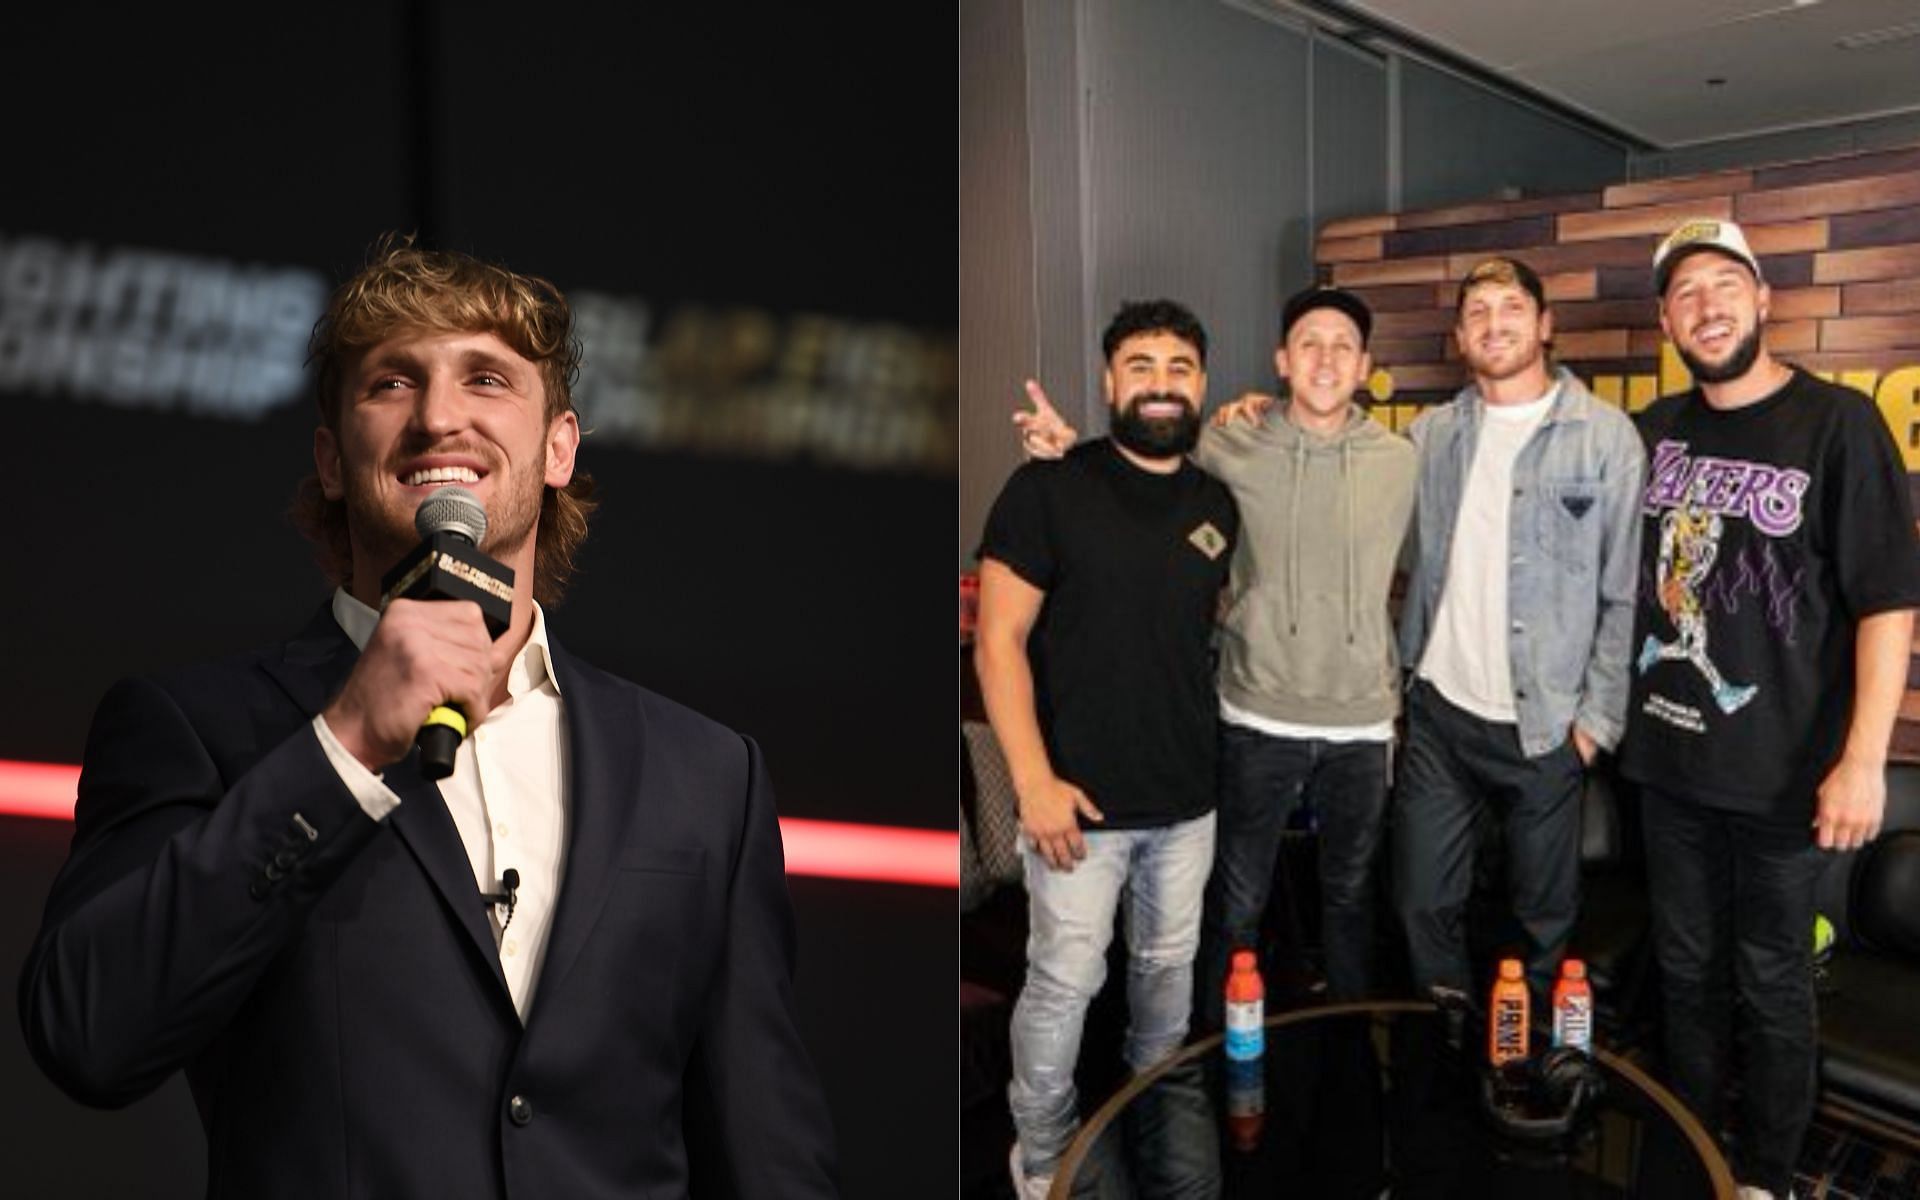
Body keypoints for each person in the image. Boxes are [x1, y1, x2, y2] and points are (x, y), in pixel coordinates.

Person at [17, 235, 839, 1198]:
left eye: (487, 380)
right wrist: (346, 744)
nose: (440, 418)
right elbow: (87, 1033)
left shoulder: (708, 774)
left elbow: (767, 1151)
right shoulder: (197, 727)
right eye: (391, 385)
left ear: (560, 447)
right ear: (331, 459)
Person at [1625, 217, 1920, 1200]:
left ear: (1761, 299)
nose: (1706, 307)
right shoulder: (1651, 431)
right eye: (1685, 294)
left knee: (1773, 987)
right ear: (1667, 319)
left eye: (1723, 285)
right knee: (1684, 976)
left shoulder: (1837, 424)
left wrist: (1864, 759)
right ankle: (1693, 1154)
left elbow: (1888, 601)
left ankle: (1761, 1176)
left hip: (1785, 781)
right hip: (1667, 771)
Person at [1020, 285, 1417, 1009]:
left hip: (1361, 721)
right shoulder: (1227, 441)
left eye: (1342, 347)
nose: (1325, 359)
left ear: (1365, 366)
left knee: (1353, 901)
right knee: (1237, 901)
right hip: (1254, 713)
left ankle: (1348, 1056)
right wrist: (1060, 452)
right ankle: (1217, 1047)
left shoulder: (1402, 459)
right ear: (1281, 361)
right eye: (1308, 344)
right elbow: (1139, 457)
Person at [977, 299, 1238, 1199]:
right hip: (1075, 808)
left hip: (1187, 801)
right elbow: (998, 642)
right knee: (1062, 987)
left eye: (1178, 367)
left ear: (1202, 384)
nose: (1160, 383)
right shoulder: (1047, 489)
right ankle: (1043, 1157)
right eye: (1141, 365)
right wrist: (1032, 781)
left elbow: (1197, 630)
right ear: (1108, 380)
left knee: (1165, 983)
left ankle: (1150, 1105)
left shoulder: (1217, 505)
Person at [1393, 256, 1645, 1005]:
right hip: (1440, 713)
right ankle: (1443, 1045)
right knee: (1419, 904)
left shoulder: (1606, 438)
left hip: (1546, 727)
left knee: (1542, 918)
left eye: (1511, 308)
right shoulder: (1431, 436)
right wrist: (1257, 415)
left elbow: (1624, 594)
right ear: (1460, 338)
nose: (1494, 324)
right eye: (1477, 313)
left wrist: (1593, 726)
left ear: (1544, 324)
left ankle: (1520, 1063)